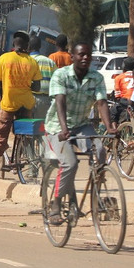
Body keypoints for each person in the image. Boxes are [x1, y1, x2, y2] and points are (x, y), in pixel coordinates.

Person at [43, 41, 113, 225]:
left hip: (82, 125)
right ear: (72, 57)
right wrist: (64, 128)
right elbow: (60, 101)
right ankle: (56, 204)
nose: (85, 58)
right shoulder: (61, 74)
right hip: (58, 127)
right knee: (70, 163)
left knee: (99, 151)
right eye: (81, 54)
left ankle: (96, 195)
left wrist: (110, 126)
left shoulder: (96, 77)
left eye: (88, 55)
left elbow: (101, 103)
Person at [0, 31, 41, 176]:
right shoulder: (32, 61)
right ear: (27, 45)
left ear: (14, 43)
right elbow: (37, 87)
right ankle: (25, 163)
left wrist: (9, 85)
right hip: (26, 103)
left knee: (0, 134)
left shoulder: (4, 58)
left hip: (9, 102)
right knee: (26, 135)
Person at [29, 34, 56, 111]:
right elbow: (57, 81)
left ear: (28, 47)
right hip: (47, 101)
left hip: (30, 99)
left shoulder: (27, 61)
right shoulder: (50, 62)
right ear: (40, 47)